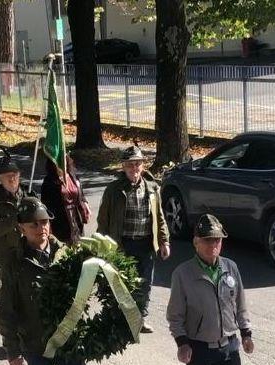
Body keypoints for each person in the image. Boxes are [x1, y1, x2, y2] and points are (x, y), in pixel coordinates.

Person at [0, 197, 82, 365]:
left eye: (44, 222)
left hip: (69, 342)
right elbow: (6, 310)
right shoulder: (13, 264)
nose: (41, 227)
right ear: (21, 228)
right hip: (36, 346)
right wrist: (13, 351)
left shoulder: (66, 255)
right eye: (33, 224)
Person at [97, 145, 170, 333]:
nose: (134, 168)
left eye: (137, 164)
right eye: (130, 165)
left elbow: (159, 217)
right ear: (123, 167)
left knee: (144, 284)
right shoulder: (113, 190)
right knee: (122, 283)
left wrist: (164, 241)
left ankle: (141, 319)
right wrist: (102, 246)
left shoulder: (152, 188)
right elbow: (103, 221)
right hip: (123, 244)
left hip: (146, 244)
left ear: (142, 166)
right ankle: (121, 320)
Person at [166, 214, 253, 365]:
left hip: (230, 347)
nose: (212, 245)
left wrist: (246, 334)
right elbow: (175, 316)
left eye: (217, 240)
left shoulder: (231, 267)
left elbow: (240, 305)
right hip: (200, 350)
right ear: (196, 242)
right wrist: (182, 344)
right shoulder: (182, 274)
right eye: (207, 240)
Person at [0, 153, 37, 267]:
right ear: (0, 178)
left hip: (32, 251)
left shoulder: (29, 195)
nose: (12, 178)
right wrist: (15, 218)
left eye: (14, 174)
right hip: (8, 256)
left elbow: (42, 221)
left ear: (19, 176)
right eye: (7, 175)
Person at [41, 156, 90, 245]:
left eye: (63, 161)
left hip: (77, 221)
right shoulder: (49, 182)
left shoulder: (72, 175)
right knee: (66, 252)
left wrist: (85, 202)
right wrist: (48, 225)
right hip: (61, 223)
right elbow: (46, 206)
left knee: (80, 248)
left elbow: (80, 192)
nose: (61, 165)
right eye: (57, 163)